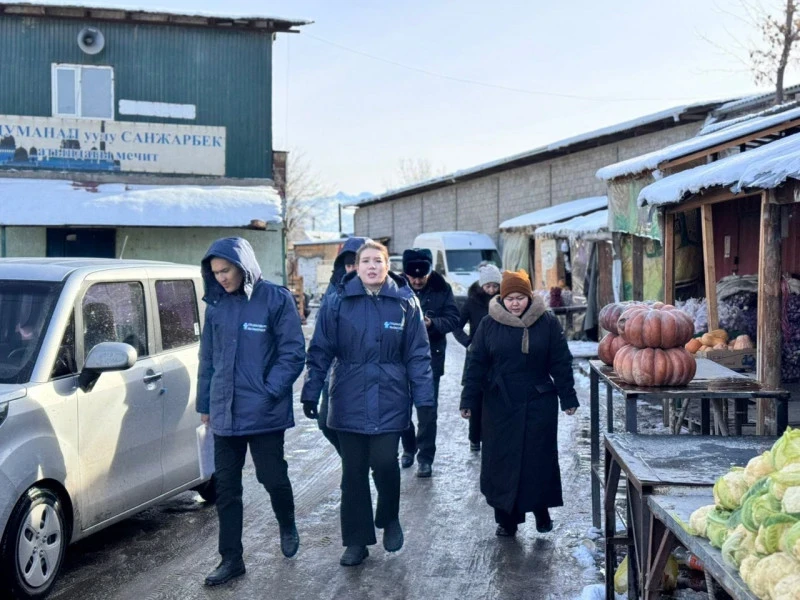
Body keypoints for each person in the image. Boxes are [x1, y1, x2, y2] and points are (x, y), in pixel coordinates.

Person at [301, 240, 434, 566]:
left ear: (387, 265)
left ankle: (389, 517)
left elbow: (418, 355)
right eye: (366, 261)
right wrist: (310, 390)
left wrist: (425, 398)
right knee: (354, 474)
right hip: (347, 399)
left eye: (378, 260)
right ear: (356, 267)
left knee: (386, 464)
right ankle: (356, 541)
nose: (372, 266)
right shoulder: (337, 302)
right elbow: (320, 351)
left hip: (390, 399)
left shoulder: (405, 303)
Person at [197, 237, 306, 586]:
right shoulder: (215, 305)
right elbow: (207, 360)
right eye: (215, 273)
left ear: (242, 266)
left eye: (225, 270)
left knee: (271, 477)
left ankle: (286, 523)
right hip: (225, 412)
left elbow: (293, 353)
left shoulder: (275, 299)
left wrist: (269, 390)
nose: (221, 278)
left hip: (263, 412)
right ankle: (231, 559)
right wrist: (205, 404)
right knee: (227, 489)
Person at [459, 269, 578, 537]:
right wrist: (468, 399)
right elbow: (476, 363)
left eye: (520, 298)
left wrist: (567, 397)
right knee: (501, 462)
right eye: (509, 298)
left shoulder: (546, 322)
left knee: (537, 460)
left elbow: (560, 361)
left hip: (538, 401)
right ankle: (506, 519)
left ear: (529, 297)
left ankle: (540, 510)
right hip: (499, 403)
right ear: (502, 298)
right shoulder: (489, 324)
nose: (514, 303)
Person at [399, 248, 460, 478]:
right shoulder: (395, 287)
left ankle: (425, 457)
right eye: (412, 277)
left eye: (421, 277)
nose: (416, 281)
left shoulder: (441, 288)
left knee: (427, 410)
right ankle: (408, 447)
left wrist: (432, 323)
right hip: (399, 359)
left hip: (430, 358)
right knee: (401, 408)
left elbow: (454, 319)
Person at [316, 236, 367, 455]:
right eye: (348, 264)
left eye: (357, 263)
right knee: (325, 423)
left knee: (362, 430)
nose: (352, 268)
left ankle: (359, 465)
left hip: (366, 374)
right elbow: (321, 334)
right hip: (334, 373)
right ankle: (353, 460)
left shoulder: (381, 292)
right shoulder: (333, 291)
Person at [453, 263, 502, 451]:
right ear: (482, 285)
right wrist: (468, 342)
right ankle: (474, 437)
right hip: (476, 354)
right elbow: (456, 325)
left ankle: (494, 435)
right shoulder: (472, 302)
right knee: (475, 395)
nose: (491, 290)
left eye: (495, 286)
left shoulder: (502, 300)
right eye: (488, 286)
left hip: (499, 354)